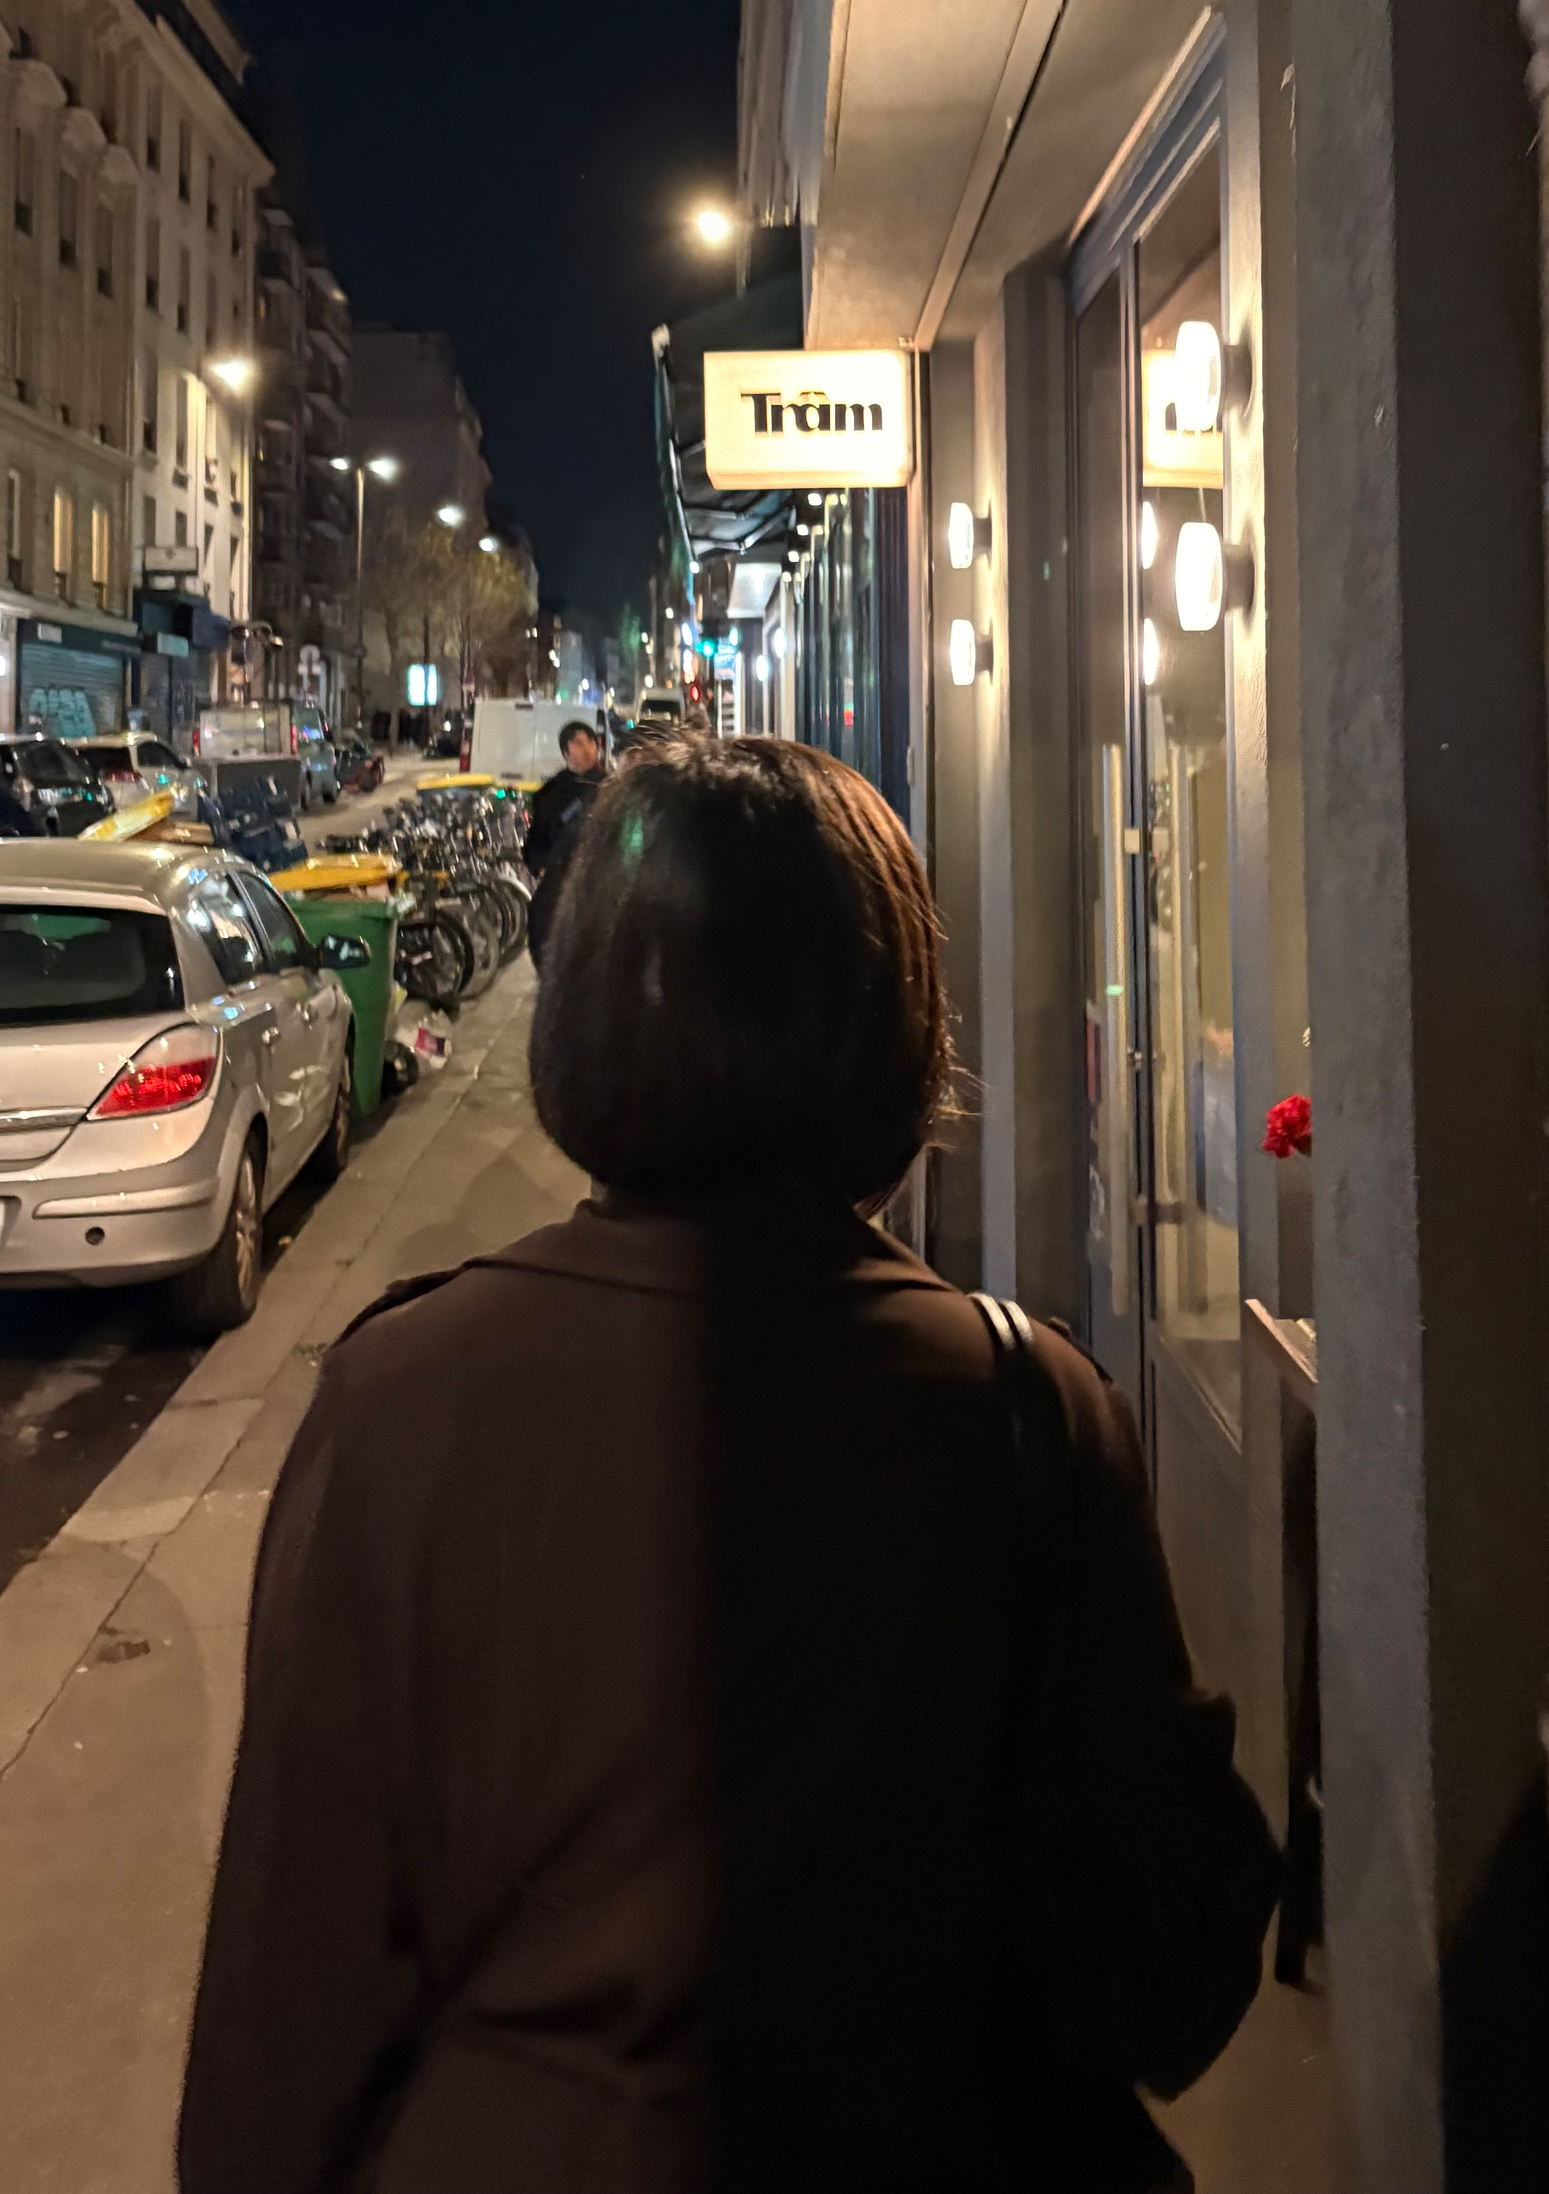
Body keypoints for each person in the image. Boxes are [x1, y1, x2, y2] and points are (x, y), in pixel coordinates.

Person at [180, 735, 1278, 2194]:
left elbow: (280, 2021)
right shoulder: (1028, 1411)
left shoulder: (397, 1407)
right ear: (896, 1025)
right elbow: (1174, 1968)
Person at [521, 712, 606, 966]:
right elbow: (535, 844)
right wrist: (543, 867)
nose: (588, 749)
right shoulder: (550, 795)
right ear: (565, 751)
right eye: (579, 743)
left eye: (591, 742)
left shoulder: (611, 786)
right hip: (562, 883)